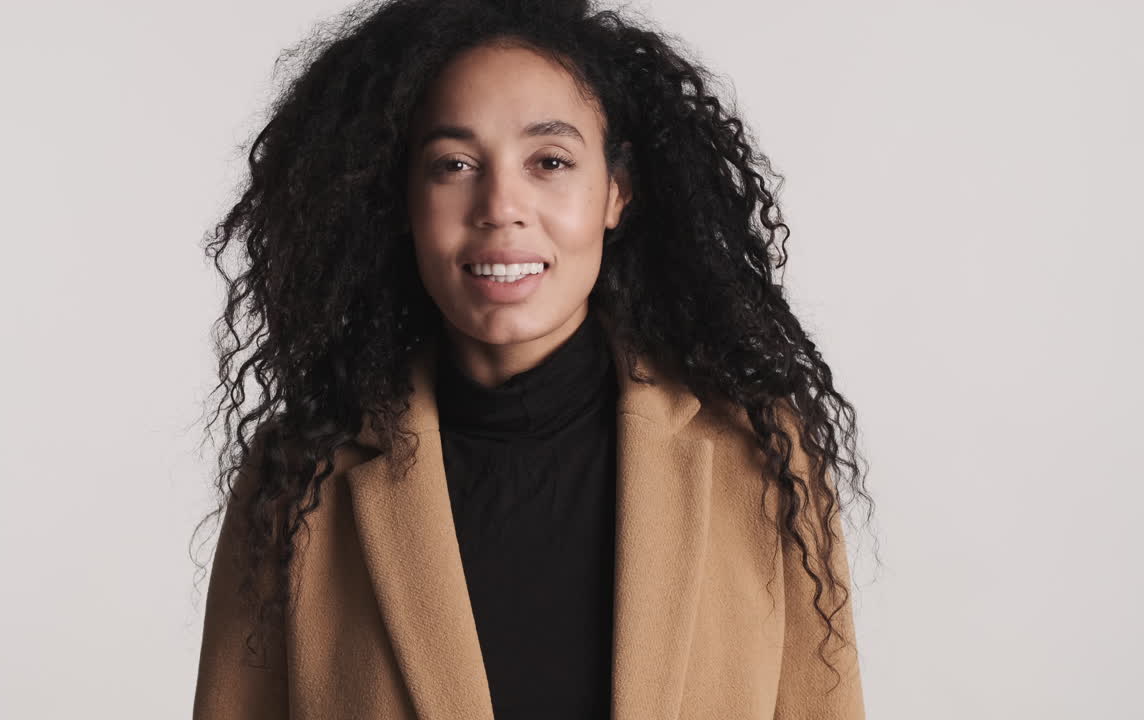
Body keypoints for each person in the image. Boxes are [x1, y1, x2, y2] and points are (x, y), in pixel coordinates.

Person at [191, 0, 875, 718]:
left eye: (549, 161)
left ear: (617, 192)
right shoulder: (300, 477)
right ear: (401, 200)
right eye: (453, 164)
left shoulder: (761, 455)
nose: (500, 205)